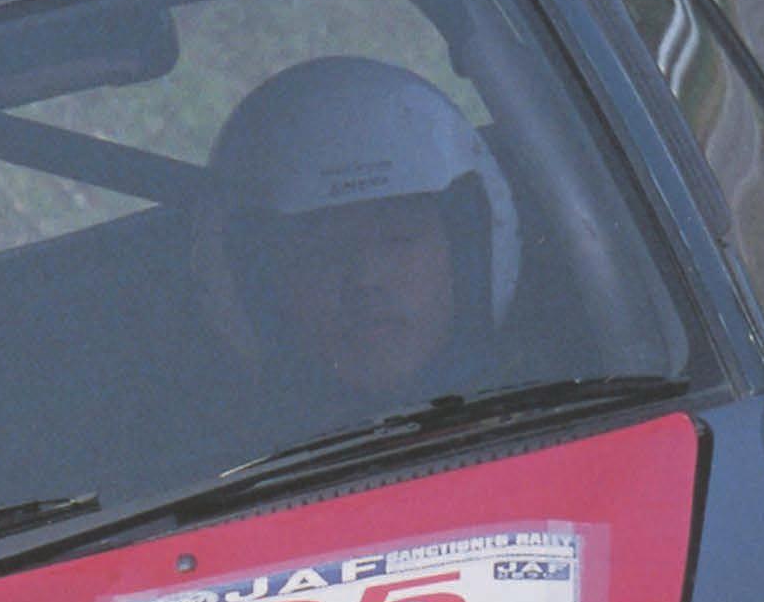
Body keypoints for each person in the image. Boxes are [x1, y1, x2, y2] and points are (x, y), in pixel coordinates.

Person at [191, 55, 521, 438]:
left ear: (465, 252)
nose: (366, 279)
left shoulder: (565, 400)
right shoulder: (208, 456)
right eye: (322, 251)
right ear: (256, 281)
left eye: (399, 239)